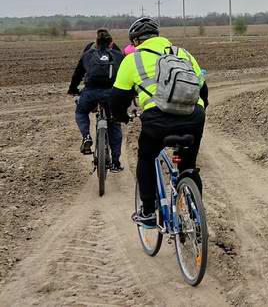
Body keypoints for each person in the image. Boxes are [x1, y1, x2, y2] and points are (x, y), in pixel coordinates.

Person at [110, 18, 208, 228]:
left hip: (158, 118)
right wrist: (198, 113)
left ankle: (147, 211)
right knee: (187, 165)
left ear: (135, 41)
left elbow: (117, 99)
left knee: (146, 156)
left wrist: (122, 117)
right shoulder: (183, 54)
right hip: (194, 115)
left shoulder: (132, 60)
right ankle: (197, 218)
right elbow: (203, 89)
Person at [67, 29, 125, 171]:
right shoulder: (118, 55)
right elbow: (125, 76)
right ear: (111, 43)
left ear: (96, 43)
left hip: (91, 92)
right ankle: (116, 163)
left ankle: (86, 136)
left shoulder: (88, 54)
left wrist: (72, 89)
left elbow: (78, 73)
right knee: (115, 124)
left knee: (81, 112)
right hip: (112, 94)